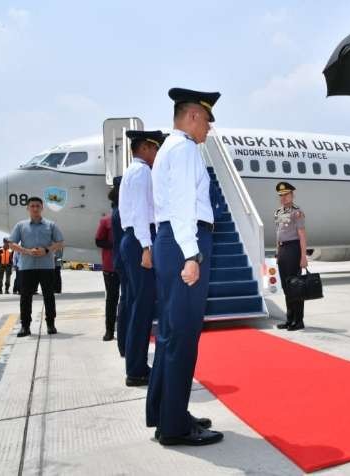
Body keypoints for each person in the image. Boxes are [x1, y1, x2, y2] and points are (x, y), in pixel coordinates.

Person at [147, 87, 222, 446]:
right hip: (184, 242)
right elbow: (181, 206)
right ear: (193, 116)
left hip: (170, 241)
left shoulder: (168, 150)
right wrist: (192, 255)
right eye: (207, 120)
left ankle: (166, 413)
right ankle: (174, 426)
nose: (208, 128)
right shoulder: (186, 149)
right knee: (183, 337)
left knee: (170, 334)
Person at [119, 129, 166, 387]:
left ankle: (136, 364)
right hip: (140, 240)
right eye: (155, 148)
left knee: (138, 304)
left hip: (135, 239)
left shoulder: (133, 172)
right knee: (142, 306)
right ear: (146, 148)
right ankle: (136, 369)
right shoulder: (142, 172)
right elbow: (139, 213)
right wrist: (147, 248)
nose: (157, 153)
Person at [6, 197, 64, 337]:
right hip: (27, 267)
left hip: (47, 266)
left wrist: (47, 250)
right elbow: (11, 243)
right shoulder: (21, 226)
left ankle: (51, 324)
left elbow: (60, 242)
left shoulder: (51, 225)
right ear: (28, 208)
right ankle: (25, 326)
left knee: (49, 296)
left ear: (42, 208)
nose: (35, 208)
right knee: (25, 297)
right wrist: (27, 251)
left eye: (38, 206)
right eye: (32, 206)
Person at [274, 181, 308, 331]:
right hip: (282, 251)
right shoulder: (278, 213)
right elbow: (278, 234)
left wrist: (303, 257)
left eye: (286, 195)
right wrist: (277, 252)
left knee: (296, 286)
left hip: (294, 249)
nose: (283, 198)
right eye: (281, 195)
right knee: (286, 287)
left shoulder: (297, 212)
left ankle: (298, 321)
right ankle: (289, 319)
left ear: (292, 195)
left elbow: (302, 235)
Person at [95, 189, 119, 341]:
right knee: (111, 299)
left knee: (128, 299)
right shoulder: (106, 221)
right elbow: (98, 241)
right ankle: (109, 330)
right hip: (110, 266)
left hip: (127, 266)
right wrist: (115, 245)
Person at [111, 177, 129, 356]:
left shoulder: (116, 209)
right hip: (125, 261)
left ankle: (123, 345)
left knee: (124, 301)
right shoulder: (121, 211)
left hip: (120, 260)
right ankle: (124, 344)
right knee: (127, 302)